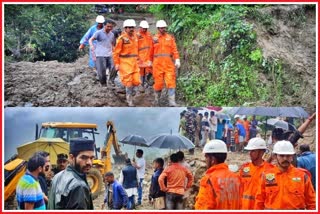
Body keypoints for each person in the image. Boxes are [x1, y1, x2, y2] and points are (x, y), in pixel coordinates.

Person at [255, 140, 316, 209]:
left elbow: (312, 203)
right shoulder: (266, 176)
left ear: (292, 156)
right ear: (275, 156)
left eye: (288, 156)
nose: (285, 158)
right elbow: (259, 201)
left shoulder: (302, 176)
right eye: (282, 156)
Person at [48, 138, 94, 209]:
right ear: (71, 158)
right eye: (84, 157)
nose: (89, 162)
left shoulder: (57, 176)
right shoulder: (79, 186)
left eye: (91, 158)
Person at [195, 140, 241, 209]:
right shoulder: (237, 178)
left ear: (213, 159)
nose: (205, 160)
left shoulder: (209, 180)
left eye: (206, 157)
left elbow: (203, 207)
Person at [151, 20, 180, 106]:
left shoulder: (170, 38)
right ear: (158, 28)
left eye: (164, 28)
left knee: (171, 82)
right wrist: (149, 62)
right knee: (158, 83)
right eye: (161, 28)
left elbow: (174, 50)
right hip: (157, 65)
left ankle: (172, 102)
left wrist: (177, 59)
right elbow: (150, 52)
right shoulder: (154, 39)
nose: (163, 29)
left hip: (168, 64)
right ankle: (157, 100)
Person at [239, 137, 274, 209]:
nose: (250, 153)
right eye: (249, 151)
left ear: (261, 152)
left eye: (253, 151)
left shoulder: (270, 169)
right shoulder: (244, 168)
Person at [113, 19, 141, 107]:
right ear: (125, 28)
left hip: (134, 63)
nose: (131, 29)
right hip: (125, 63)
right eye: (129, 27)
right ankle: (129, 101)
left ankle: (129, 92)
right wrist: (117, 63)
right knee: (128, 82)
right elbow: (116, 52)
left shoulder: (135, 37)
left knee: (136, 81)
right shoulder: (121, 39)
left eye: (132, 27)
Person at [89, 19, 115, 86]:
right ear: (104, 25)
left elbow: (112, 43)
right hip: (100, 54)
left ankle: (111, 81)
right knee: (102, 70)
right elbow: (90, 39)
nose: (109, 28)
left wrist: (114, 50)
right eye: (108, 26)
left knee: (114, 67)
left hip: (109, 54)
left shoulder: (112, 34)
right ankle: (103, 84)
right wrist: (91, 46)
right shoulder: (99, 33)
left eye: (111, 27)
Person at [137, 20, 153, 92]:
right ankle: (141, 85)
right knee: (141, 72)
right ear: (140, 27)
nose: (144, 30)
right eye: (143, 28)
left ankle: (148, 81)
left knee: (150, 69)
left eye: (145, 28)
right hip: (140, 57)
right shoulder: (137, 35)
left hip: (148, 56)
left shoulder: (149, 35)